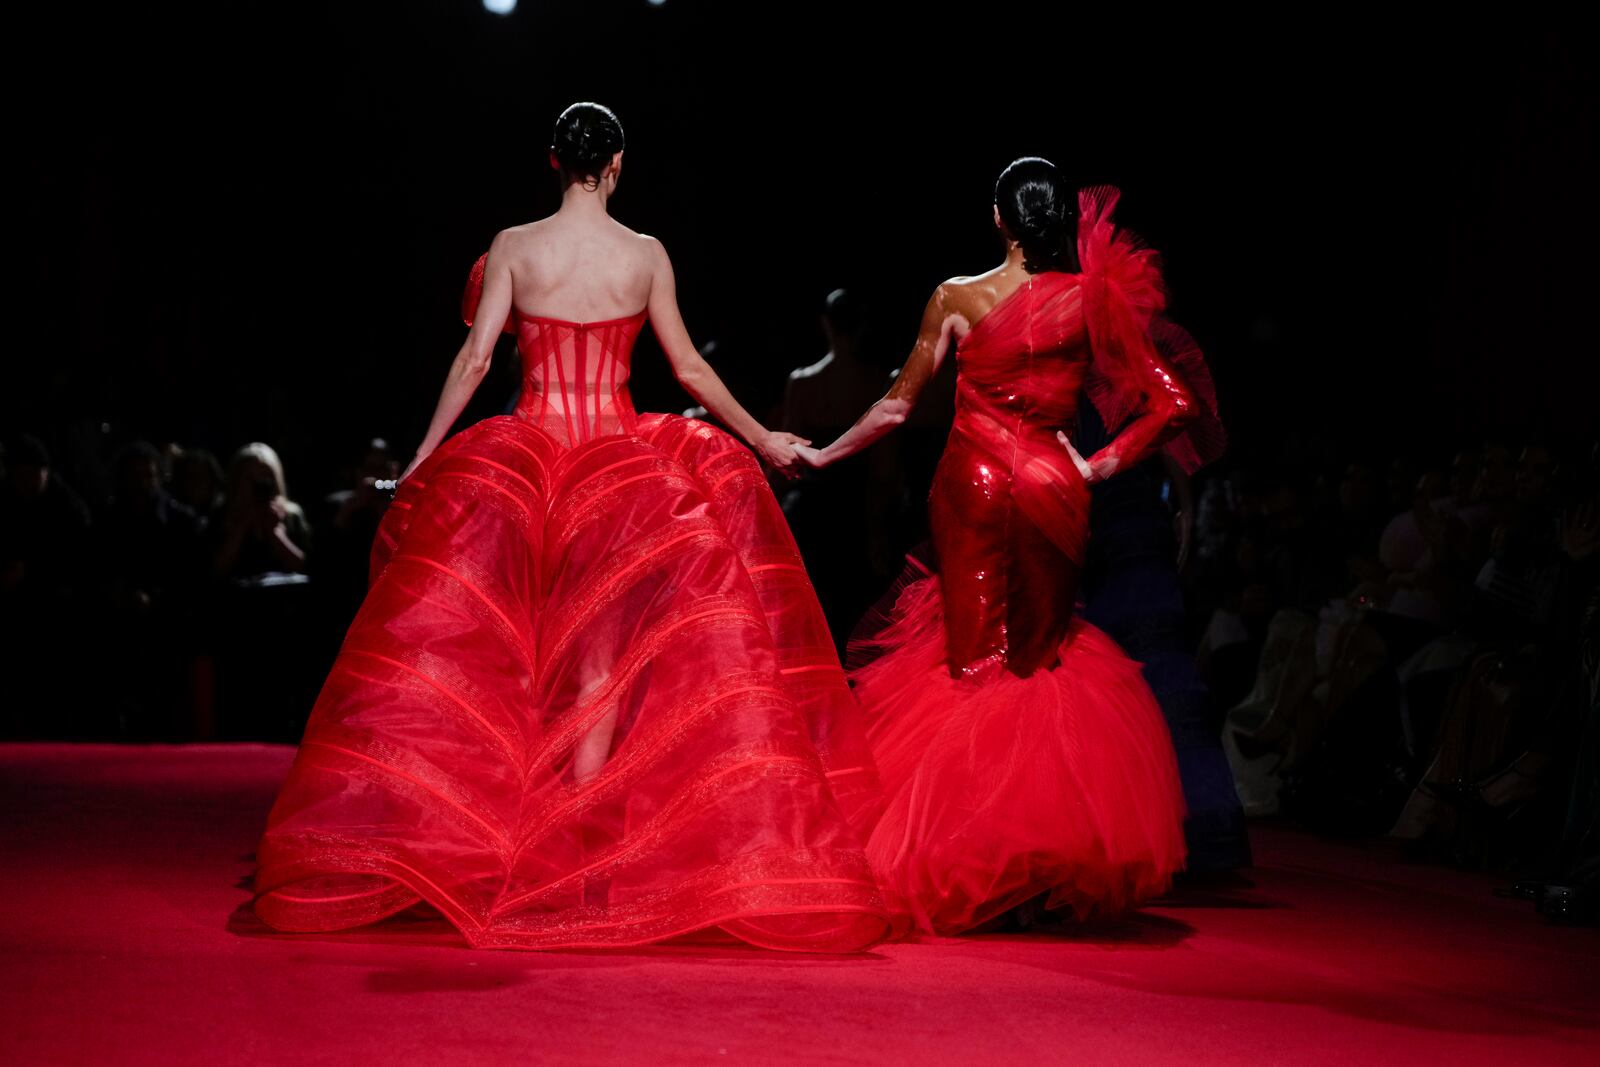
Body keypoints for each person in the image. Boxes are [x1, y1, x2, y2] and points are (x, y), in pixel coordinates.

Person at [250, 103, 892, 952]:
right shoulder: (645, 254)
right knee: (595, 670)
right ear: (617, 163)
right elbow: (688, 366)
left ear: (554, 160)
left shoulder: (516, 245)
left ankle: (513, 845)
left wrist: (418, 459)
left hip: (524, 469)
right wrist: (763, 436)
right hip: (623, 474)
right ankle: (579, 860)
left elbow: (478, 361)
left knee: (508, 651)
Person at [797, 158, 1224, 936]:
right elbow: (1175, 402)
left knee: (973, 665)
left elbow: (898, 407)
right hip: (1053, 487)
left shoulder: (957, 296)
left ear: (999, 219)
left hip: (975, 487)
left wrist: (825, 455)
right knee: (1039, 660)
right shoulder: (1092, 301)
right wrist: (1097, 464)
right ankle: (1031, 873)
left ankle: (974, 866)